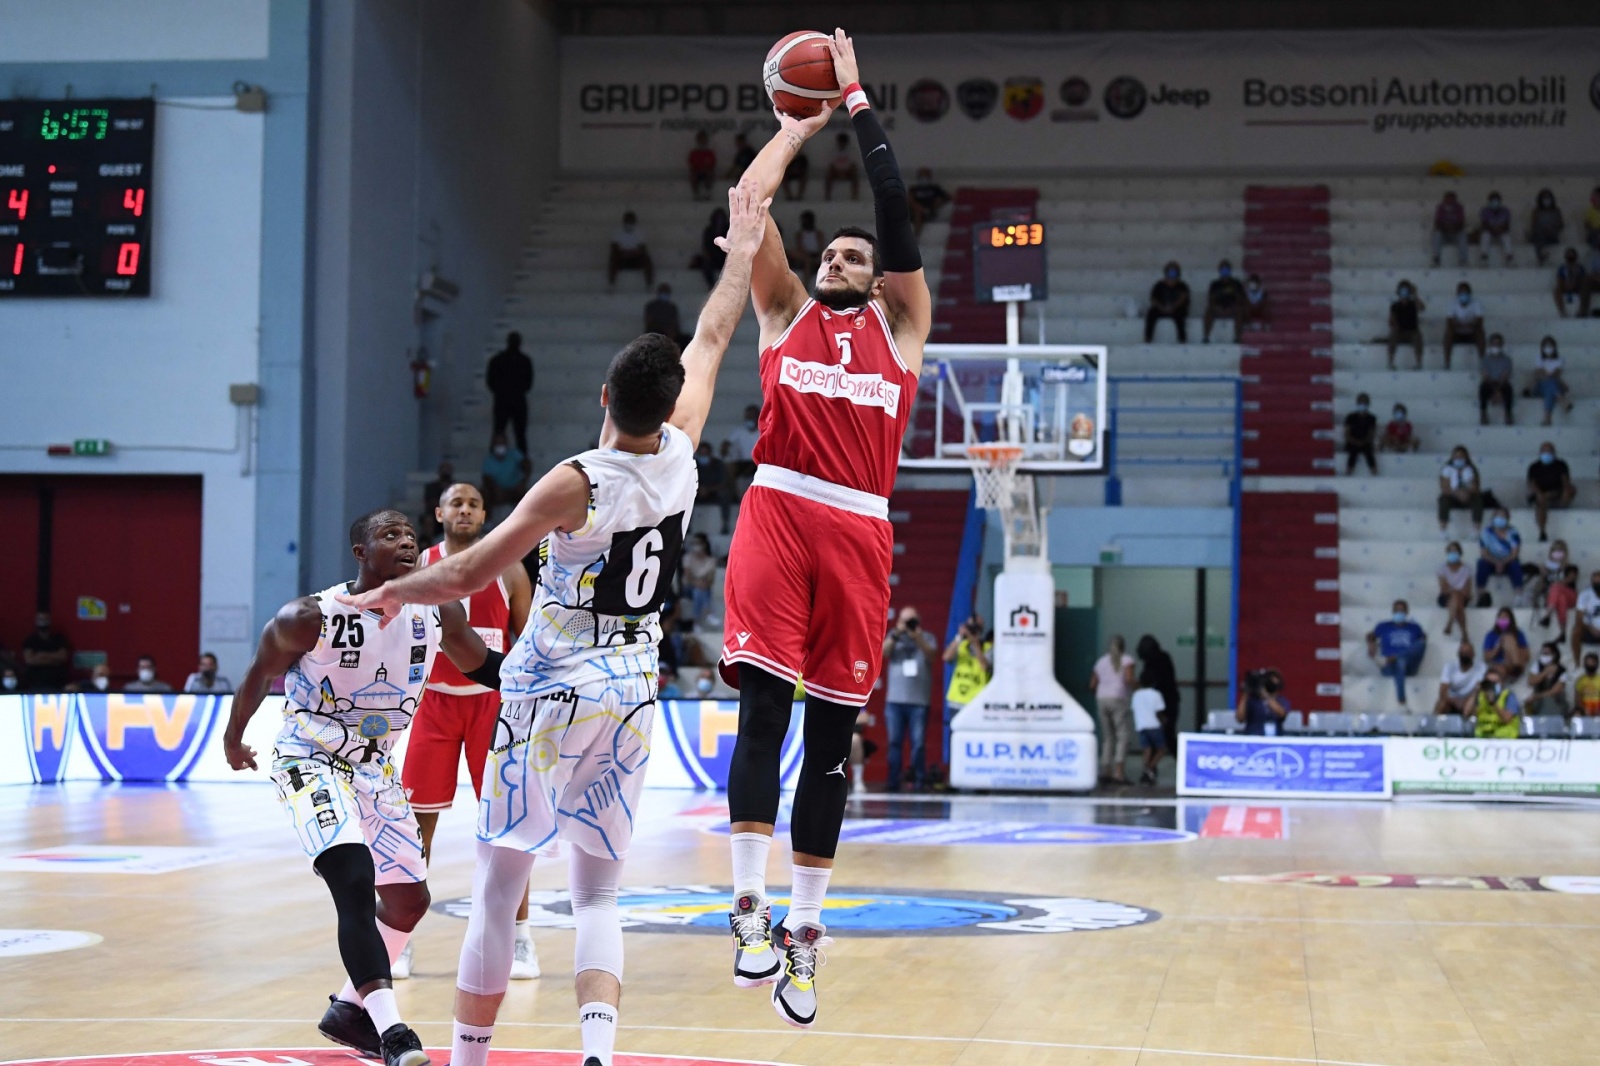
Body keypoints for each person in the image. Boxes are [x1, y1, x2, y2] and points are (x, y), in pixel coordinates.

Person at [337, 181, 767, 1066]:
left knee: (499, 888)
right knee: (599, 897)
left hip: (552, 688)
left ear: (606, 392)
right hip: (633, 688)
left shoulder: (577, 480)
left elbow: (465, 570)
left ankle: (466, 1061)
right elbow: (718, 333)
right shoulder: (684, 455)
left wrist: (384, 594)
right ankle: (598, 1056)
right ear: (666, 399)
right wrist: (742, 253)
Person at [713, 34, 933, 1029]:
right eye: (831, 252)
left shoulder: (902, 326)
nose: (842, 258)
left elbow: (896, 213)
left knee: (831, 743)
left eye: (857, 255)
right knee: (763, 714)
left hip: (859, 529)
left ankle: (807, 929)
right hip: (778, 504)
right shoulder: (782, 311)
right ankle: (748, 909)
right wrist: (790, 131)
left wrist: (852, 101)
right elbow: (746, 213)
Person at [220, 510, 504, 1066]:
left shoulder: (437, 610)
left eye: (411, 537)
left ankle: (349, 1011)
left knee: (408, 899)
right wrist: (235, 739)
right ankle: (392, 1030)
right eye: (390, 535)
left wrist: (545, 675)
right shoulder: (310, 617)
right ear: (359, 552)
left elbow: (483, 665)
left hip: (376, 767)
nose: (406, 543)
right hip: (311, 756)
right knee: (352, 877)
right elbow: (259, 673)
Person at [396, 482, 536, 983]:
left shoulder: (509, 567)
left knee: (508, 825)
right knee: (414, 831)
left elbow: (530, 638)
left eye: (474, 503)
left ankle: (520, 940)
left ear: (483, 513)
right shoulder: (418, 567)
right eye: (456, 503)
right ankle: (398, 941)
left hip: (491, 710)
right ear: (440, 511)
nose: (465, 510)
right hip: (432, 704)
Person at [881, 606, 937, 792]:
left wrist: (916, 636)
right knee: (894, 743)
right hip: (895, 701)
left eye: (912, 621)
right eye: (905, 621)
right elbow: (883, 653)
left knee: (918, 743)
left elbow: (931, 654)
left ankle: (919, 780)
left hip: (918, 702)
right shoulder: (894, 637)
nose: (909, 625)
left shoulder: (926, 637)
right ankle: (893, 781)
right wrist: (898, 633)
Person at [1089, 636, 1135, 784]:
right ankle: (1119, 773)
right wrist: (1139, 687)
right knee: (1122, 735)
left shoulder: (1101, 661)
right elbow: (1128, 680)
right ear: (1123, 646)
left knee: (1108, 736)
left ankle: (1105, 771)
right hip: (1118, 698)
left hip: (1101, 699)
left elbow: (1092, 685)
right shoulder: (1127, 660)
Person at [943, 614, 991, 755]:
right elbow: (946, 657)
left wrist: (975, 643)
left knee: (975, 740)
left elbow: (984, 666)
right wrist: (959, 636)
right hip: (957, 702)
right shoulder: (960, 645)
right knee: (955, 740)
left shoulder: (987, 647)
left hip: (976, 703)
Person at [1367, 601, 1427, 706]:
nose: (1399, 613)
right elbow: (1370, 635)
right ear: (1393, 612)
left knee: (1417, 647)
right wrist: (1371, 643)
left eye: (1402, 610)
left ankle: (1395, 657)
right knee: (1400, 662)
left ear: (1407, 612)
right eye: (1397, 610)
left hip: (1410, 666)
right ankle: (1401, 699)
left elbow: (1422, 642)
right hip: (1389, 667)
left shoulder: (1415, 627)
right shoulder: (1383, 626)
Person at [486, 333, 534, 458]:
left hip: (513, 399)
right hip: (505, 400)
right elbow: (491, 381)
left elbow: (528, 382)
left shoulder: (522, 361)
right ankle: (495, 460)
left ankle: (522, 462)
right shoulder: (499, 360)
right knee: (499, 431)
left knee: (519, 433)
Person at [1135, 634, 1180, 748]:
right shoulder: (1164, 658)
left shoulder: (1149, 663)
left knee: (1154, 736)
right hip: (1169, 699)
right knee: (1168, 734)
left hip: (1157, 702)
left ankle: (1150, 763)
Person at [1526, 442, 1575, 543]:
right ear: (1540, 452)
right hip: (1541, 495)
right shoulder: (1534, 467)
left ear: (1554, 452)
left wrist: (1564, 491)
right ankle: (1542, 531)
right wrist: (1540, 494)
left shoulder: (1561, 465)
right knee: (1541, 502)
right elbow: (1532, 483)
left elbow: (1565, 481)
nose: (1546, 453)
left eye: (1549, 451)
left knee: (1571, 489)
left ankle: (1562, 506)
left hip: (1557, 494)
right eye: (1544, 451)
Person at [1477, 509, 1524, 604]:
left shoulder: (1513, 532)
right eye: (1498, 517)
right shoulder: (1487, 532)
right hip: (1491, 561)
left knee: (1515, 565)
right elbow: (1484, 553)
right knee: (1481, 564)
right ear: (1493, 518)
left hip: (1508, 561)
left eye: (1503, 517)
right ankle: (1481, 596)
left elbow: (1514, 553)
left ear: (1507, 519)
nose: (1500, 519)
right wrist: (1496, 562)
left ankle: (1518, 596)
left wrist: (1503, 562)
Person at [1437, 445, 1484, 533]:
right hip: (1452, 496)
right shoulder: (1447, 469)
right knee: (1443, 500)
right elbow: (1444, 488)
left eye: (1461, 456)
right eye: (1456, 456)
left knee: (1478, 500)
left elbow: (1476, 487)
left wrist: (1466, 493)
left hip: (1468, 496)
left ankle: (1476, 530)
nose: (1459, 459)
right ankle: (1443, 529)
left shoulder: (1471, 470)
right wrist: (1457, 493)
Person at [481, 433, 530, 515]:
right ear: (493, 445)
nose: (500, 446)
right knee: (483, 494)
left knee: (527, 495)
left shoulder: (514, 454)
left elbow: (527, 465)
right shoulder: (488, 459)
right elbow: (486, 478)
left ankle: (526, 520)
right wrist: (495, 488)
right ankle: (487, 522)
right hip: (497, 490)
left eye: (502, 443)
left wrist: (523, 482)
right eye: (497, 443)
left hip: (515, 489)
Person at [20, 612, 70, 692]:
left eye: (45, 619)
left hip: (57, 680)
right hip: (35, 681)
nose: (43, 622)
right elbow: (30, 660)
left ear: (50, 621)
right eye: (40, 619)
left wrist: (41, 655)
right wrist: (54, 659)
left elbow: (62, 657)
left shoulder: (59, 638)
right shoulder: (30, 640)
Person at [1435, 640, 1485, 716]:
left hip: (1469, 701)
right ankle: (1432, 726)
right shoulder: (1449, 667)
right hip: (1451, 701)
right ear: (1458, 654)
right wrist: (1455, 701)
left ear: (1473, 654)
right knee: (1441, 703)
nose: (1465, 654)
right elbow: (1442, 692)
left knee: (1477, 705)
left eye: (1468, 652)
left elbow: (1479, 689)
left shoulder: (1481, 667)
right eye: (1463, 652)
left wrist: (1467, 701)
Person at [1144, 261, 1190, 343]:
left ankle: (1182, 340)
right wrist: (1162, 308)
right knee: (1151, 313)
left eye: (1174, 271)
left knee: (1180, 316)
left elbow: (1183, 299)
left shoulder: (1182, 286)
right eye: (1170, 271)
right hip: (1161, 308)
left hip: (1176, 309)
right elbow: (1153, 299)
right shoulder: (1159, 285)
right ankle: (1148, 338)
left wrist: (1173, 307)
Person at [1130, 684, 1167, 787]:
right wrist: (1164, 721)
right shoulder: (1156, 694)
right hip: (1154, 726)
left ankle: (1146, 771)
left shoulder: (1136, 694)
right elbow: (1159, 711)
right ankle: (1150, 768)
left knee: (1147, 750)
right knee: (1162, 749)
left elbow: (1133, 709)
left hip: (1141, 726)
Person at [1442, 282, 1485, 370]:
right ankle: (1447, 362)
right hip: (1457, 332)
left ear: (1470, 294)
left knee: (1480, 332)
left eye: (1465, 293)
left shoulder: (1476, 303)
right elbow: (1449, 322)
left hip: (1472, 332)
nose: (1463, 295)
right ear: (1457, 293)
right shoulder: (1452, 304)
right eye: (1461, 292)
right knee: (1448, 333)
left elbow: (1480, 320)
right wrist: (1458, 326)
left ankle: (1482, 362)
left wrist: (1472, 326)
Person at [1202, 259, 1245, 343]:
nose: (1225, 271)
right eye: (1223, 269)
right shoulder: (1215, 284)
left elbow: (1240, 298)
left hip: (1232, 308)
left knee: (1240, 311)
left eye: (1226, 269)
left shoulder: (1236, 283)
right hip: (1218, 309)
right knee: (1209, 311)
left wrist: (1232, 306)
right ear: (1219, 270)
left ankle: (1237, 337)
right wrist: (1217, 308)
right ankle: (1206, 336)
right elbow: (1211, 299)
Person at [1532, 336, 1572, 426]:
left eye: (1550, 346)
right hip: (1540, 387)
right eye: (1546, 346)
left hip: (1552, 384)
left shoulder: (1560, 360)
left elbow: (1556, 373)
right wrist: (1548, 376)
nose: (1548, 349)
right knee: (1551, 383)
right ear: (1542, 348)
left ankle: (1547, 418)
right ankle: (1561, 400)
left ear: (1554, 348)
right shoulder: (1538, 358)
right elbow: (1540, 373)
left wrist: (1547, 376)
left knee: (1550, 386)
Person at [607, 210, 654, 289]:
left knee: (647, 259)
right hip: (621, 259)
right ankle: (611, 285)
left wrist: (631, 252)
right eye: (627, 220)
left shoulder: (640, 232)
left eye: (631, 221)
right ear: (623, 221)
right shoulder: (616, 232)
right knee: (613, 257)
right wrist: (626, 253)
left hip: (635, 259)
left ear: (635, 221)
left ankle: (649, 285)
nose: (629, 223)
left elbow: (643, 249)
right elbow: (614, 248)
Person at [1235, 668, 1289, 735]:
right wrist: (1245, 694)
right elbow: (1240, 719)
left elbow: (1282, 714)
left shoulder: (1281, 700)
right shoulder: (1252, 700)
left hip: (1275, 738)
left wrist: (1265, 695)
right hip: (1253, 736)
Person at [694, 442, 733, 535]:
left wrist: (708, 489)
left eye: (706, 454)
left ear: (710, 453)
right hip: (697, 492)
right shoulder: (693, 463)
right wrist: (699, 489)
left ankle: (725, 523)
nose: (704, 456)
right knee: (685, 497)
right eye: (702, 454)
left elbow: (723, 482)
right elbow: (687, 481)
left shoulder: (718, 464)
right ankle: (686, 527)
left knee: (725, 495)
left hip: (713, 492)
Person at [681, 532, 719, 626]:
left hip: (704, 588)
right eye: (694, 543)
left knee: (699, 592)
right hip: (688, 587)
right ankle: (708, 614)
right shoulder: (688, 558)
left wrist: (701, 584)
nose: (696, 546)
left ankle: (696, 622)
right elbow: (688, 577)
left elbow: (710, 581)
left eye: (698, 543)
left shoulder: (711, 561)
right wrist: (699, 583)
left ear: (704, 544)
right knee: (699, 590)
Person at [1483, 607, 1530, 682]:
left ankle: (1515, 668)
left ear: (1511, 620)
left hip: (1515, 662)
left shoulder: (1518, 633)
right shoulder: (1491, 635)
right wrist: (1498, 646)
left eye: (1505, 617)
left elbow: (1527, 655)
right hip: (1500, 664)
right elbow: (1486, 658)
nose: (1503, 619)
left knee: (1508, 638)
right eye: (1500, 617)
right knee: (1498, 672)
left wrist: (1512, 647)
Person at [1473, 666, 1521, 739]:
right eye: (1489, 682)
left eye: (1494, 683)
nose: (1491, 686)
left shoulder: (1509, 696)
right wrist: (1475, 693)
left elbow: (1506, 719)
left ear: (1501, 683)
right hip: (1483, 738)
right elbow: (1466, 713)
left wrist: (1493, 703)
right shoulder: (1480, 696)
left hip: (1505, 740)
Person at [1386, 281, 1425, 369]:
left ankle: (1419, 363)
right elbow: (1391, 320)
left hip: (1412, 332)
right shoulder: (1395, 306)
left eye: (1406, 289)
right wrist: (1395, 325)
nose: (1404, 291)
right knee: (1393, 334)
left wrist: (1415, 295)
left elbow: (1422, 308)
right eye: (1402, 289)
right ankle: (1390, 362)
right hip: (1400, 332)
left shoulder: (1413, 304)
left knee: (1418, 336)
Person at [1438, 542, 1472, 639]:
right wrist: (1455, 592)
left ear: (1460, 553)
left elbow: (1467, 592)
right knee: (1457, 600)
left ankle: (1450, 622)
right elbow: (1443, 590)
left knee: (1457, 598)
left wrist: (1455, 592)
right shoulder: (1442, 568)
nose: (1453, 553)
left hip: (1462, 597)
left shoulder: (1467, 569)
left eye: (1455, 551)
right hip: (1445, 597)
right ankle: (1464, 633)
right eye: (1450, 551)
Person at [1478, 335, 1514, 425]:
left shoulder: (1507, 360)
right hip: (1490, 383)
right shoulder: (1485, 360)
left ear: (1502, 345)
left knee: (1508, 388)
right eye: (1494, 343)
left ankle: (1508, 414)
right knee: (1483, 387)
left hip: (1501, 383)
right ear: (1490, 344)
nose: (1496, 346)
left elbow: (1505, 376)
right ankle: (1483, 413)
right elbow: (1485, 376)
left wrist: (1498, 391)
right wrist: (1495, 391)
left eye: (1498, 344)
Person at [1526, 642, 1569, 718]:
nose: (1544, 656)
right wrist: (1545, 672)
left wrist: (1536, 696)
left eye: (1547, 654)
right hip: (1538, 700)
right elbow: (1531, 682)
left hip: (1556, 701)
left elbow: (1555, 691)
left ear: (1554, 655)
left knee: (1548, 700)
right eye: (1543, 653)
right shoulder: (1537, 666)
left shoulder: (1562, 670)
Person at [643, 284, 692, 349]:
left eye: (666, 292)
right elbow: (648, 322)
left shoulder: (672, 307)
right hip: (655, 332)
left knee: (687, 339)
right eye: (663, 292)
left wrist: (672, 332)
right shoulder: (651, 306)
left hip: (670, 332)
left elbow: (675, 322)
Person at [726, 403, 761, 492]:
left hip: (759, 464)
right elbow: (727, 444)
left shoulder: (763, 431)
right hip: (742, 464)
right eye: (748, 417)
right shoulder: (739, 431)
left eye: (752, 417)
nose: (750, 419)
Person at [418, 460, 456, 544]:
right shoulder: (431, 487)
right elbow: (429, 503)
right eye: (444, 469)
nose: (446, 472)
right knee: (428, 520)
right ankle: (426, 543)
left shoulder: (456, 487)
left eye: (448, 469)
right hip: (434, 515)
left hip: (451, 514)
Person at [907, 167, 951, 235]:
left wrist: (938, 202)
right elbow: (910, 200)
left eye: (926, 176)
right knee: (918, 212)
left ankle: (927, 211)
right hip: (916, 212)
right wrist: (921, 209)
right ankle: (916, 236)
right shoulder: (914, 189)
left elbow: (947, 197)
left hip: (930, 211)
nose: (924, 178)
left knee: (939, 199)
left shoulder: (935, 188)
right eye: (922, 176)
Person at [1343, 392, 1378, 475]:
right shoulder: (1350, 417)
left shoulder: (1372, 418)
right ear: (1357, 403)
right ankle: (1348, 472)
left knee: (1369, 453)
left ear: (1368, 404)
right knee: (1353, 451)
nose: (1362, 404)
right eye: (1360, 402)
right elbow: (1347, 433)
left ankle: (1374, 472)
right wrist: (1355, 441)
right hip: (1352, 442)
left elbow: (1371, 433)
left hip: (1365, 442)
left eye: (1364, 402)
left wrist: (1363, 441)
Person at [1544, 561, 1579, 643]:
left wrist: (1564, 581)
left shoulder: (1568, 583)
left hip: (1572, 598)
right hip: (1563, 600)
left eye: (1574, 573)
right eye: (1570, 573)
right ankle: (1562, 633)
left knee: (1555, 587)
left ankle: (1547, 616)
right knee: (1561, 599)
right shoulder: (1560, 582)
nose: (1572, 575)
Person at [1431, 191, 1468, 267]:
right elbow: (1437, 223)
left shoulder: (1459, 208)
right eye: (1447, 199)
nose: (1449, 201)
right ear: (1444, 199)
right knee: (1437, 234)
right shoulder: (1440, 208)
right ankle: (1436, 258)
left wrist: (1452, 227)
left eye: (1451, 199)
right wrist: (1446, 227)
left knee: (1463, 235)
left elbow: (1461, 223)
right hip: (1444, 234)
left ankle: (1463, 260)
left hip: (1455, 233)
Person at [695, 208, 729, 289]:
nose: (719, 221)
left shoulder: (728, 229)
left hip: (725, 256)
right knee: (706, 265)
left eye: (721, 218)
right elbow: (705, 246)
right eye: (718, 218)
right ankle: (711, 286)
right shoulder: (709, 231)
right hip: (713, 257)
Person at [1554, 248, 1593, 318]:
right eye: (1568, 255)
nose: (1570, 257)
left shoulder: (1580, 267)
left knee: (1585, 287)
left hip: (1577, 287)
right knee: (1557, 290)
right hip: (1565, 286)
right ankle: (1562, 311)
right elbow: (1559, 279)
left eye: (1572, 255)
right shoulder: (1562, 268)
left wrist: (1574, 281)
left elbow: (1583, 279)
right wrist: (1566, 285)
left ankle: (1583, 310)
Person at [1477, 191, 1513, 266]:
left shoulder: (1505, 211)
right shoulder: (1485, 211)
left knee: (1506, 236)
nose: (1495, 202)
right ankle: (1484, 258)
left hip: (1501, 231)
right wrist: (1493, 229)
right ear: (1489, 201)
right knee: (1485, 235)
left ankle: (1509, 258)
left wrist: (1500, 229)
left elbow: (1507, 224)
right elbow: (1484, 224)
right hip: (1490, 231)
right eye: (1493, 200)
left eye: (1496, 200)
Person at [1572, 571, 1600, 666]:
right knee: (1576, 630)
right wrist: (1590, 628)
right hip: (1590, 629)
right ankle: (1577, 663)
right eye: (1595, 583)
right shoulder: (1584, 595)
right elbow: (1579, 617)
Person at [1529, 188, 1563, 265]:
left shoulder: (1556, 211)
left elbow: (1561, 225)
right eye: (1544, 198)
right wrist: (1543, 229)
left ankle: (1542, 252)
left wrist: (1552, 229)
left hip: (1552, 236)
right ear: (1540, 199)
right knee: (1538, 235)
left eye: (1548, 198)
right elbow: (1533, 225)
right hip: (1540, 235)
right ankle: (1542, 254)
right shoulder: (1536, 211)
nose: (1546, 200)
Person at [790, 210, 825, 279]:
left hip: (816, 254)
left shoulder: (818, 233)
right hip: (804, 255)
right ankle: (805, 284)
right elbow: (800, 247)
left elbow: (821, 247)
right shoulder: (799, 234)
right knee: (807, 260)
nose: (805, 222)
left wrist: (818, 256)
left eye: (806, 221)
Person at [823, 131, 858, 200]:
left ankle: (854, 196)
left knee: (855, 175)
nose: (842, 144)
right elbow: (831, 165)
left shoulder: (852, 152)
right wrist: (839, 172)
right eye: (840, 142)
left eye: (843, 142)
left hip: (848, 172)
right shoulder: (833, 152)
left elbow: (853, 165)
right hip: (836, 172)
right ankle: (827, 197)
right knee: (828, 175)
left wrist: (844, 172)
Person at [687, 130, 717, 200]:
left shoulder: (710, 153)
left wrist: (705, 169)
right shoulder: (693, 153)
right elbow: (691, 164)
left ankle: (707, 193)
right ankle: (696, 194)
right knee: (693, 175)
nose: (702, 141)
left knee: (709, 173)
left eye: (704, 139)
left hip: (706, 172)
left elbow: (712, 164)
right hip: (697, 172)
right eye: (701, 139)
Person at [1575, 653, 1600, 717]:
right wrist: (1584, 709)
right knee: (1576, 714)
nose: (1590, 664)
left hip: (1598, 708)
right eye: (1588, 662)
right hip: (1584, 709)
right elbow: (1578, 697)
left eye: (1592, 662)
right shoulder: (1580, 680)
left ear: (1597, 663)